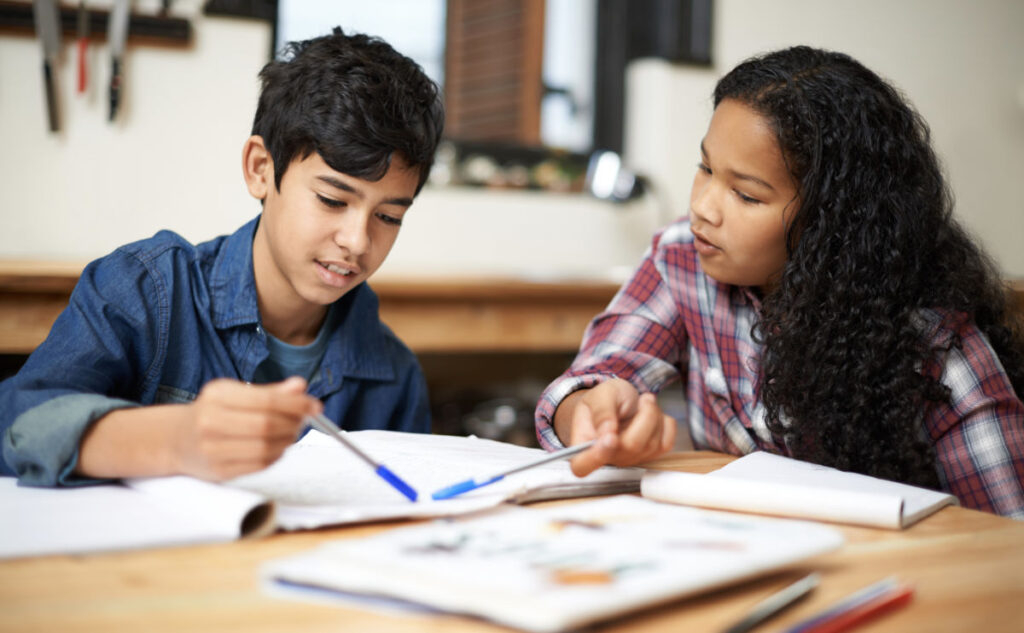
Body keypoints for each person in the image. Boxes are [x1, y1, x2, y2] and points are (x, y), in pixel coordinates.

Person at [536, 46, 1024, 518]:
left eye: (746, 195)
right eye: (705, 168)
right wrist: (590, 410)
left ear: (831, 221)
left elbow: (1008, 540)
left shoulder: (935, 344)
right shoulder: (684, 256)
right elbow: (599, 371)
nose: (703, 206)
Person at [0, 28, 444, 486]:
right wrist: (175, 439)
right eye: (332, 200)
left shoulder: (395, 375)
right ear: (260, 169)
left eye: (389, 217)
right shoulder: (146, 292)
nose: (357, 241)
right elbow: (17, 425)